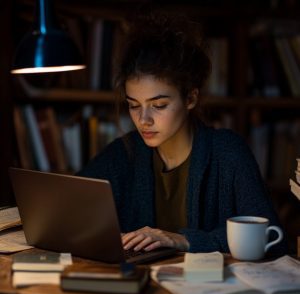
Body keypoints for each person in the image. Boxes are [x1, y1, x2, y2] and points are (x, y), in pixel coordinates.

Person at [77, 13, 288, 255]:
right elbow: (68, 204)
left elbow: (272, 236)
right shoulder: (125, 152)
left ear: (191, 98)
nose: (143, 120)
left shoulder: (227, 152)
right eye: (134, 105)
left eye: (159, 105)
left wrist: (184, 240)